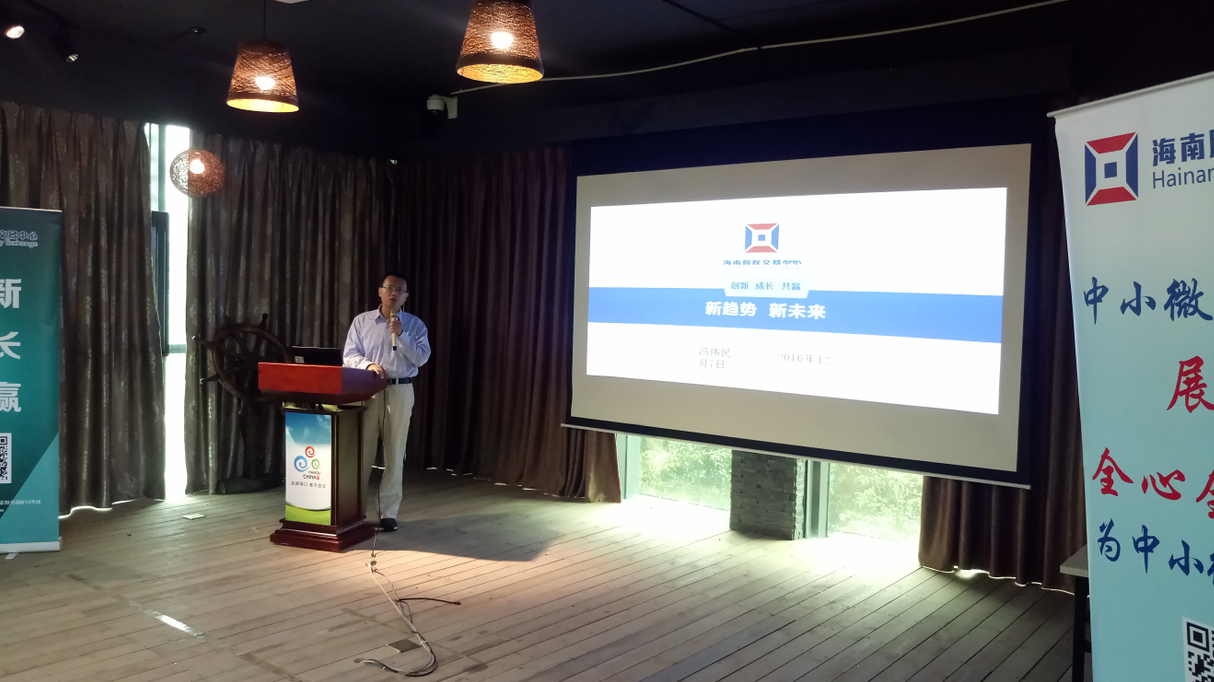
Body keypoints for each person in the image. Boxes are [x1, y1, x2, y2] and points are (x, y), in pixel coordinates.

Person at [342, 274, 431, 531]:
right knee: (362, 451)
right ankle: (354, 509)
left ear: (406, 297)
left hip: (400, 389)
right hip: (368, 389)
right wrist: (367, 364)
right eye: (389, 288)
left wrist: (401, 335)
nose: (394, 293)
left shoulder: (415, 325)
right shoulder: (362, 321)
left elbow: (421, 358)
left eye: (400, 290)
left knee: (394, 452)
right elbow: (349, 354)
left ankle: (388, 513)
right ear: (380, 291)